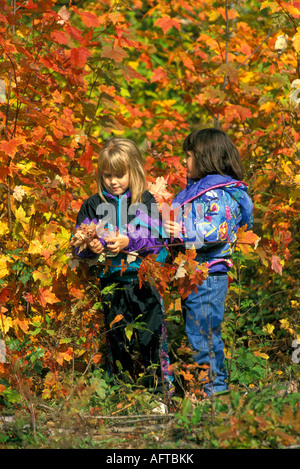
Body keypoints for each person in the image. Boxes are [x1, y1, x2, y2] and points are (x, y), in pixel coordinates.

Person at [73, 137, 172, 400]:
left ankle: (159, 393)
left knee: (151, 335)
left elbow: (158, 237)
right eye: (107, 176)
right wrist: (89, 245)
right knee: (117, 338)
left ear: (133, 172)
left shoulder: (145, 201)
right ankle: (121, 392)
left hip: (143, 279)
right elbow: (77, 241)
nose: (113, 181)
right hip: (111, 280)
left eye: (119, 175)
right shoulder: (93, 205)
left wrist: (130, 241)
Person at [164, 128, 253, 396]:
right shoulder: (203, 191)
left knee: (203, 335)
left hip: (209, 274)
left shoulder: (217, 193)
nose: (185, 162)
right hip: (196, 272)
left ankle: (215, 391)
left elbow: (217, 231)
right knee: (197, 333)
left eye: (189, 156)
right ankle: (204, 387)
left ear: (205, 158)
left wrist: (180, 231)